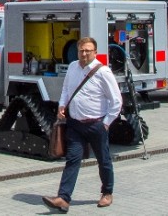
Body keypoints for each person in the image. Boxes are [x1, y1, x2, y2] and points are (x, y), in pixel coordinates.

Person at [42, 37, 121, 213]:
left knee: (104, 160)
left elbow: (116, 101)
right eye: (81, 51)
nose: (84, 54)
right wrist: (62, 105)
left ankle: (107, 193)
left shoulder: (103, 72)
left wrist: (106, 123)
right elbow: (66, 89)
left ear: (95, 52)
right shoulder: (72, 67)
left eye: (87, 50)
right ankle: (63, 198)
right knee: (72, 160)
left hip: (96, 124)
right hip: (75, 124)